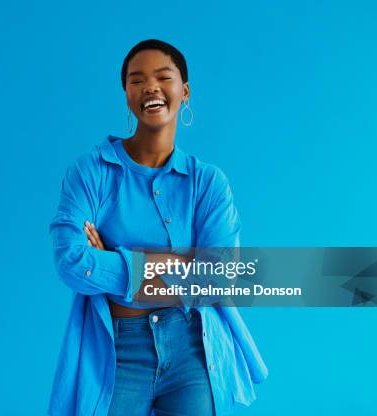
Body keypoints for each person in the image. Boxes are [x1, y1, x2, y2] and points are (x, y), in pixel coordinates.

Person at [48, 39, 268, 416]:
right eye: (136, 80)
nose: (150, 86)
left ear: (184, 92)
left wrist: (113, 262)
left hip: (191, 347)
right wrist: (182, 264)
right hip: (117, 350)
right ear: (127, 95)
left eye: (163, 77)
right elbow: (71, 261)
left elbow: (219, 276)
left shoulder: (208, 183)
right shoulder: (90, 172)